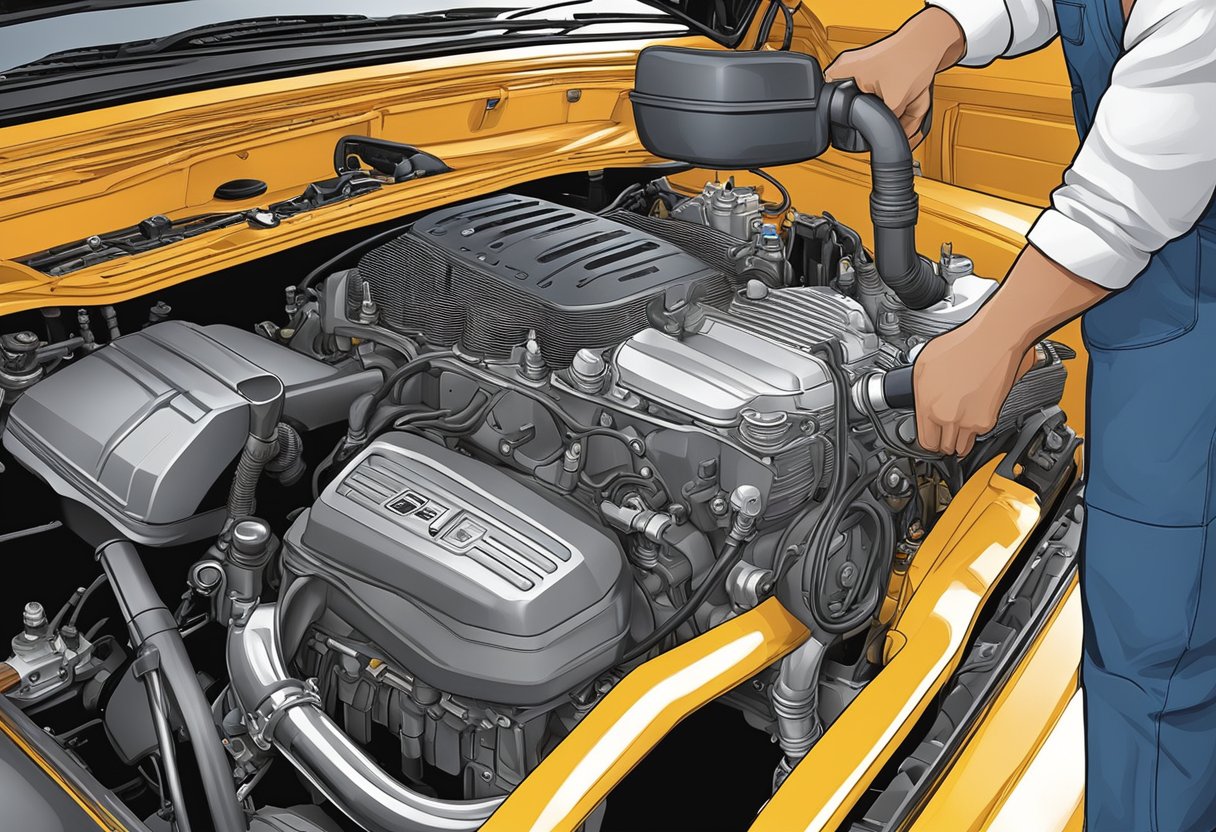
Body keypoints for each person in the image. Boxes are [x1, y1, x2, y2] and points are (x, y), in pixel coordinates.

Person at [825, 1, 1216, 829]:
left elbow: (1128, 199)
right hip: (1153, 286)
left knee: (1158, 651)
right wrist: (926, 38)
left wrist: (993, 339)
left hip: (1194, 312)